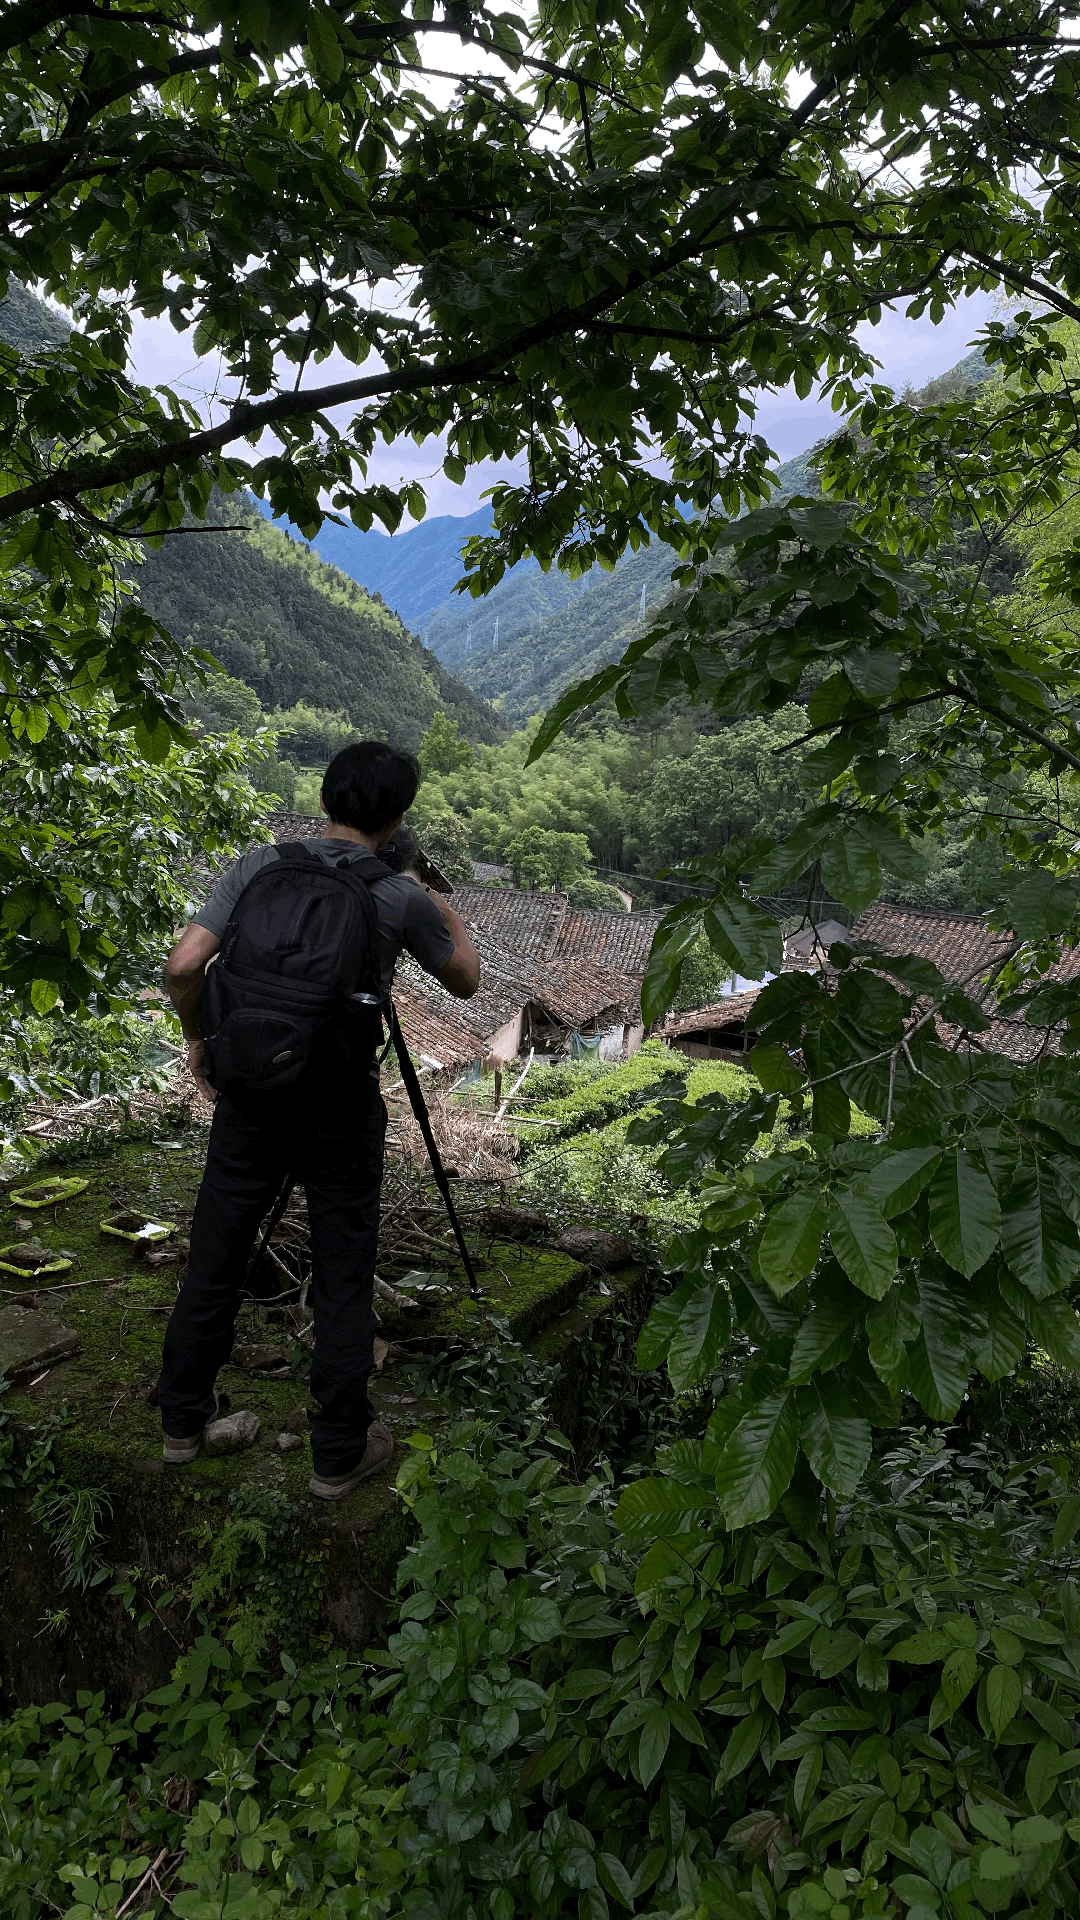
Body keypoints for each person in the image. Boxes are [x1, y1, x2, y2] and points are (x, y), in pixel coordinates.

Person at [157, 740, 480, 1499]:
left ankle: (181, 1423)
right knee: (342, 1275)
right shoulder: (396, 896)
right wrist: (436, 899)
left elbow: (182, 966)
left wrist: (199, 1039)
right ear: (398, 815)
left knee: (216, 1253)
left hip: (251, 1096)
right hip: (337, 1107)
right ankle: (337, 1453)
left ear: (326, 797)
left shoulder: (259, 866)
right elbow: (466, 979)